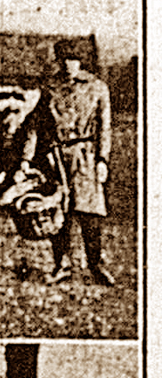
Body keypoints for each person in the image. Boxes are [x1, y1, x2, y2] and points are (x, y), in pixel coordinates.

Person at [47, 38, 115, 286]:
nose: (69, 65)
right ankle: (61, 264)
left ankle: (96, 265)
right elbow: (39, 127)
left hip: (85, 155)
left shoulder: (97, 88)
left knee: (90, 214)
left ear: (81, 62)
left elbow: (105, 128)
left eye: (73, 60)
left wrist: (102, 160)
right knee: (59, 211)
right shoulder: (51, 87)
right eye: (64, 60)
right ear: (58, 61)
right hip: (57, 157)